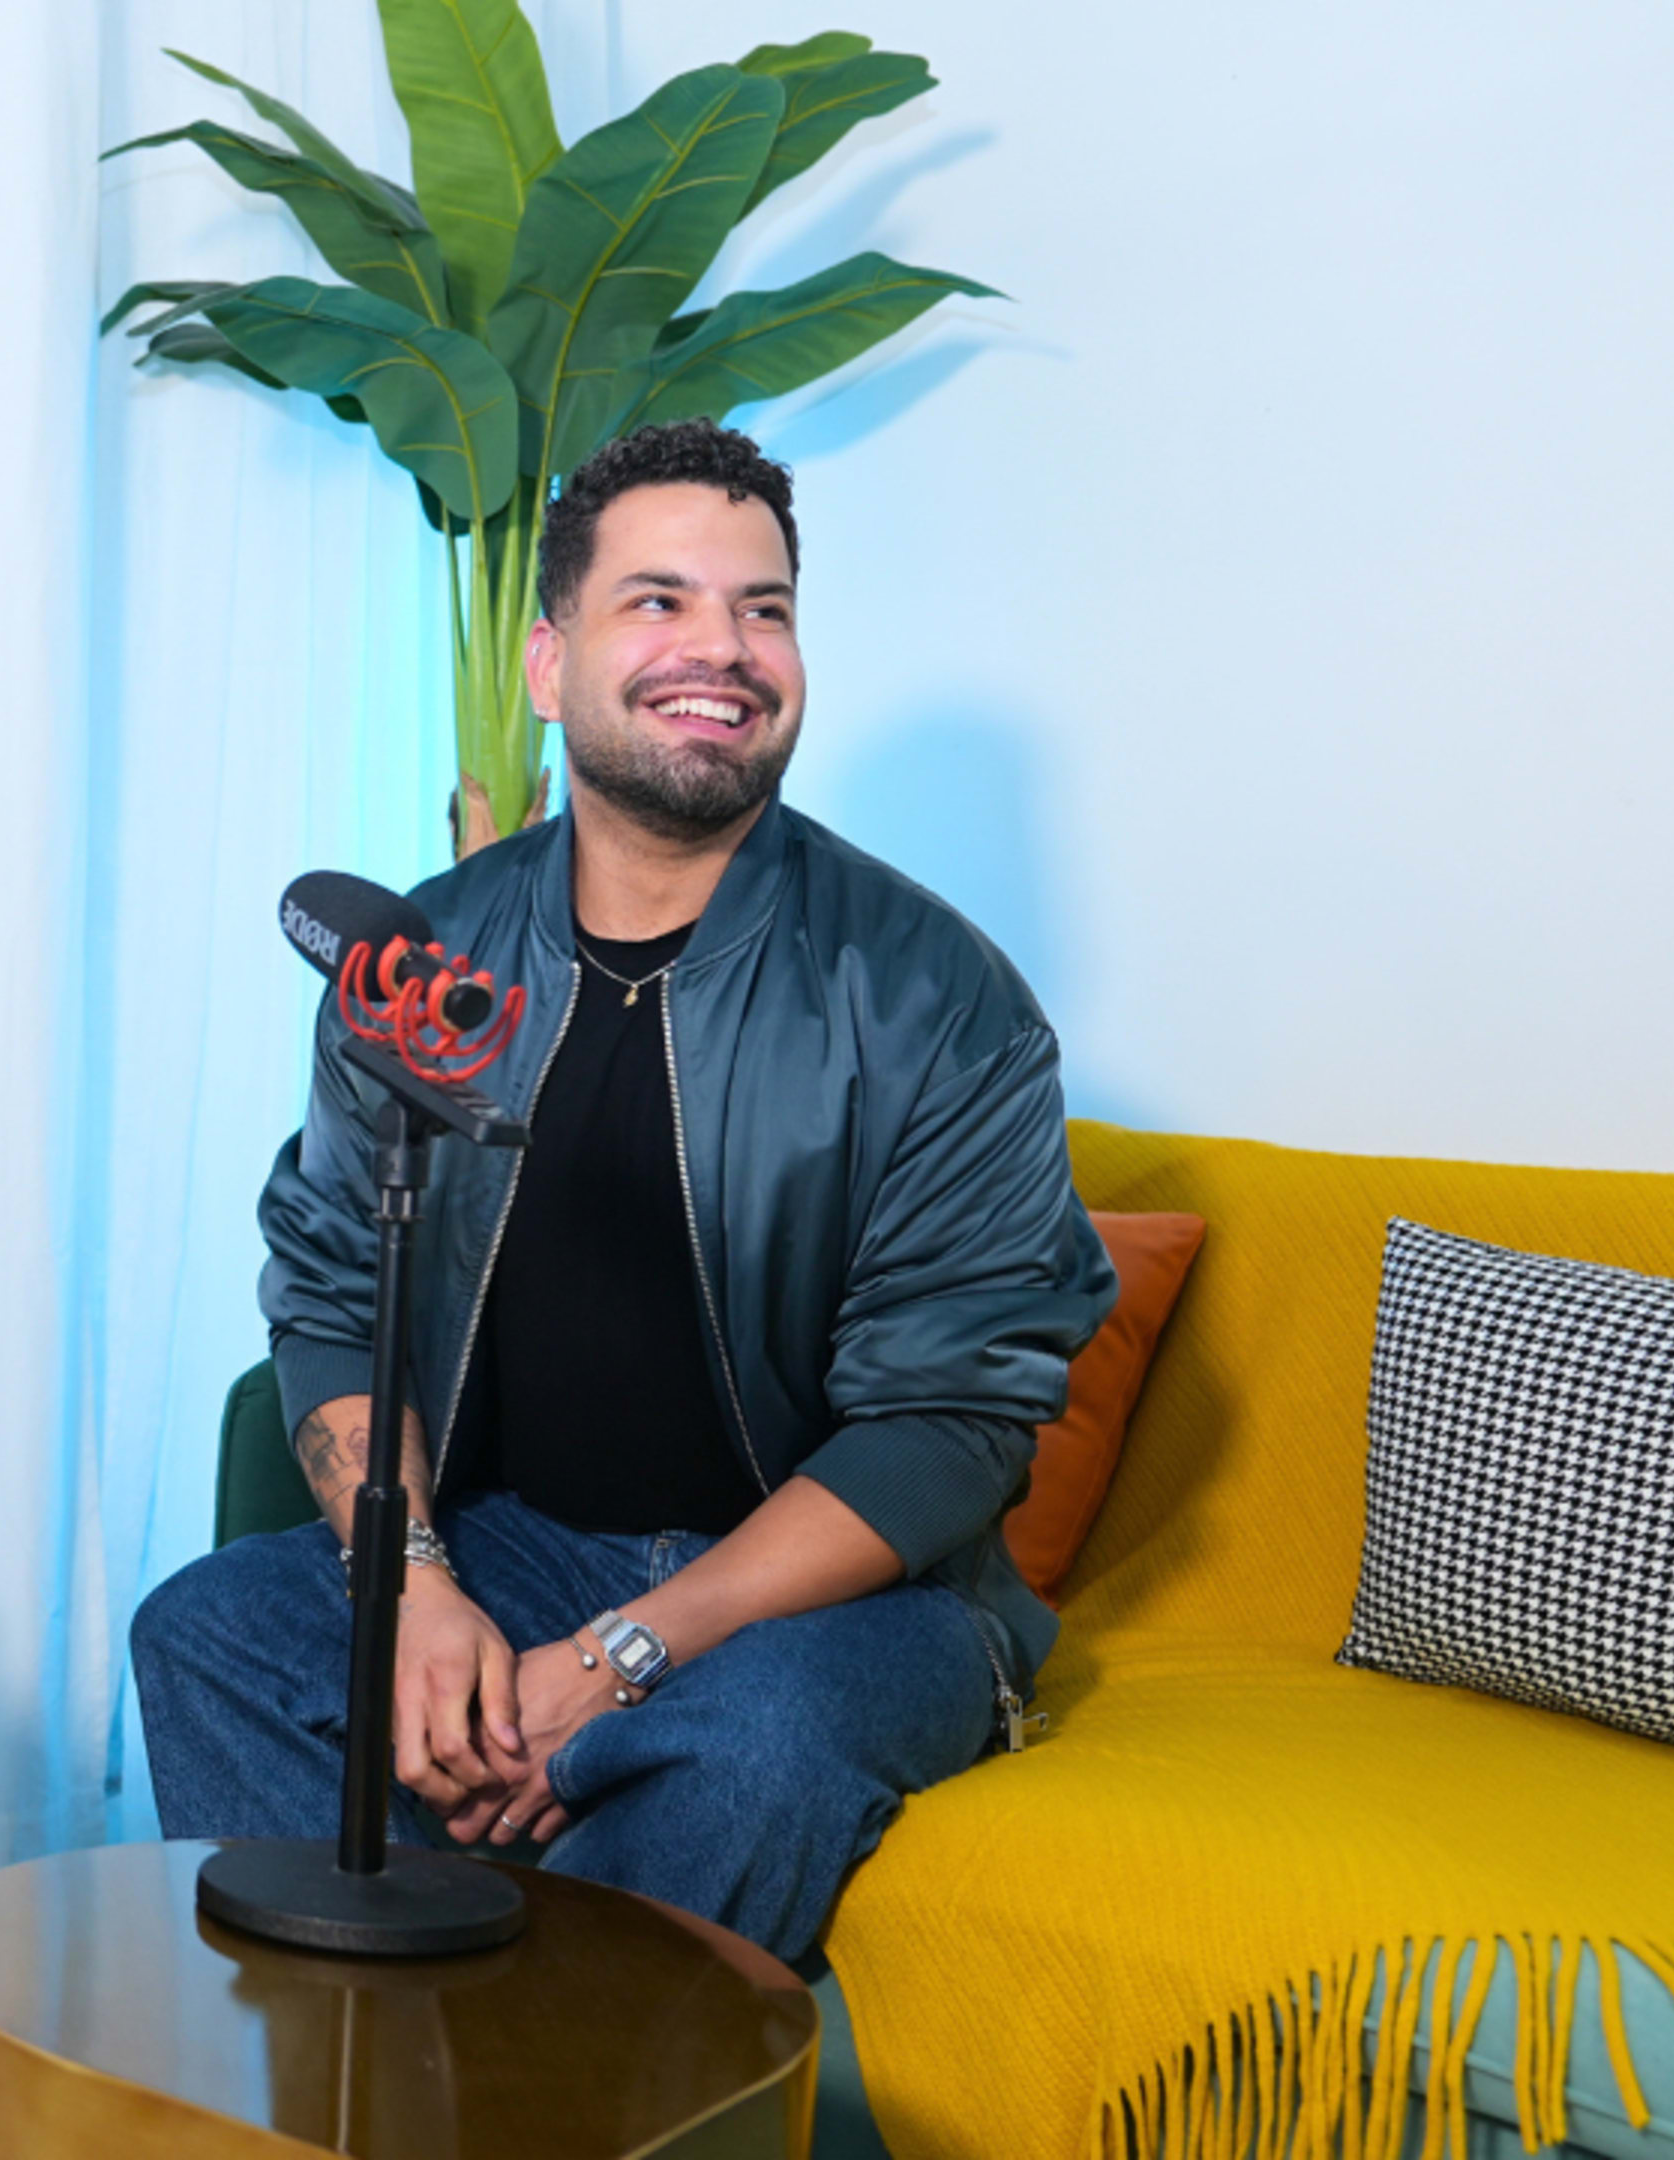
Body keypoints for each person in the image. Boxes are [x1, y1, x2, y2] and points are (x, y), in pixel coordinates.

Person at [129, 418, 1115, 1969]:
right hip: (524, 1541)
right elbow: (330, 1294)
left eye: (764, 607)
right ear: (550, 661)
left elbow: (952, 1426)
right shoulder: (424, 961)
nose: (722, 648)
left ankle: (537, 2107)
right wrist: (422, 1589)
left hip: (848, 1608)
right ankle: (342, 2090)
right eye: (660, 602)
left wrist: (625, 1654)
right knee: (210, 1634)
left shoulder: (935, 995)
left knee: (763, 1743)